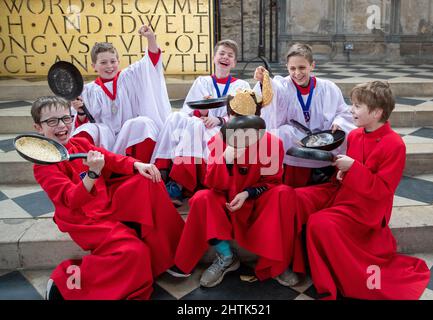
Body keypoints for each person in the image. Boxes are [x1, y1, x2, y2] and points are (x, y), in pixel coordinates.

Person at [31, 96, 184, 300]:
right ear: (38, 128)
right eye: (52, 121)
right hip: (84, 219)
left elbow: (110, 158)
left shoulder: (80, 142)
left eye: (66, 118)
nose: (61, 125)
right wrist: (93, 175)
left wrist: (137, 165)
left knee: (147, 181)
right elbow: (71, 200)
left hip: (105, 202)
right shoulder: (42, 165)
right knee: (135, 253)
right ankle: (66, 282)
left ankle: (167, 255)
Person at [293, 81, 430, 299]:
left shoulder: (395, 144)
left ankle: (334, 280)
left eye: (357, 106)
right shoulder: (355, 135)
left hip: (369, 209)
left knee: (320, 223)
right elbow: (354, 169)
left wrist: (353, 169)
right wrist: (343, 172)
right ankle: (307, 268)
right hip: (346, 195)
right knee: (297, 199)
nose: (350, 109)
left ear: (376, 112)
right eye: (352, 104)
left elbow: (383, 190)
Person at [173, 90, 300, 288]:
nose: (242, 125)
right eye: (236, 117)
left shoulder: (273, 143)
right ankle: (226, 255)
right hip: (225, 201)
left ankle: (276, 262)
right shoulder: (218, 141)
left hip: (256, 202)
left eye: (247, 118)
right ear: (229, 117)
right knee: (201, 198)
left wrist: (247, 193)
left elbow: (273, 182)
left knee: (284, 193)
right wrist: (225, 160)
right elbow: (212, 183)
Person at [151, 39, 250, 206]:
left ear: (234, 62)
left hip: (225, 130)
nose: (225, 57)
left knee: (194, 128)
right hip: (200, 126)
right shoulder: (202, 81)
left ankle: (177, 183)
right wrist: (203, 112)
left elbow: (244, 115)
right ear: (214, 58)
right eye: (222, 53)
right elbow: (187, 110)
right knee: (176, 118)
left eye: (230, 55)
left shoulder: (242, 85)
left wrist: (218, 119)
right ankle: (164, 169)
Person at [254, 43, 355, 188]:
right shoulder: (283, 86)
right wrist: (264, 81)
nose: (297, 73)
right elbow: (273, 94)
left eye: (302, 67)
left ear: (312, 66)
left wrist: (339, 121)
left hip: (325, 138)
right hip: (297, 139)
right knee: (281, 133)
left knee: (347, 131)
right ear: (287, 68)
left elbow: (343, 111)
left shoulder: (328, 88)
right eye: (292, 69)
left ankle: (330, 175)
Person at [71, 24, 171, 163]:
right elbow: (79, 124)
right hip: (105, 142)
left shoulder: (128, 77)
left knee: (144, 123)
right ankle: (94, 171)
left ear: (118, 61)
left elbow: (151, 61)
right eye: (103, 62)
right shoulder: (87, 91)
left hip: (129, 136)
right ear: (94, 66)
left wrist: (150, 38)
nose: (109, 66)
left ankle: (142, 169)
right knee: (89, 129)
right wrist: (80, 112)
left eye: (113, 61)